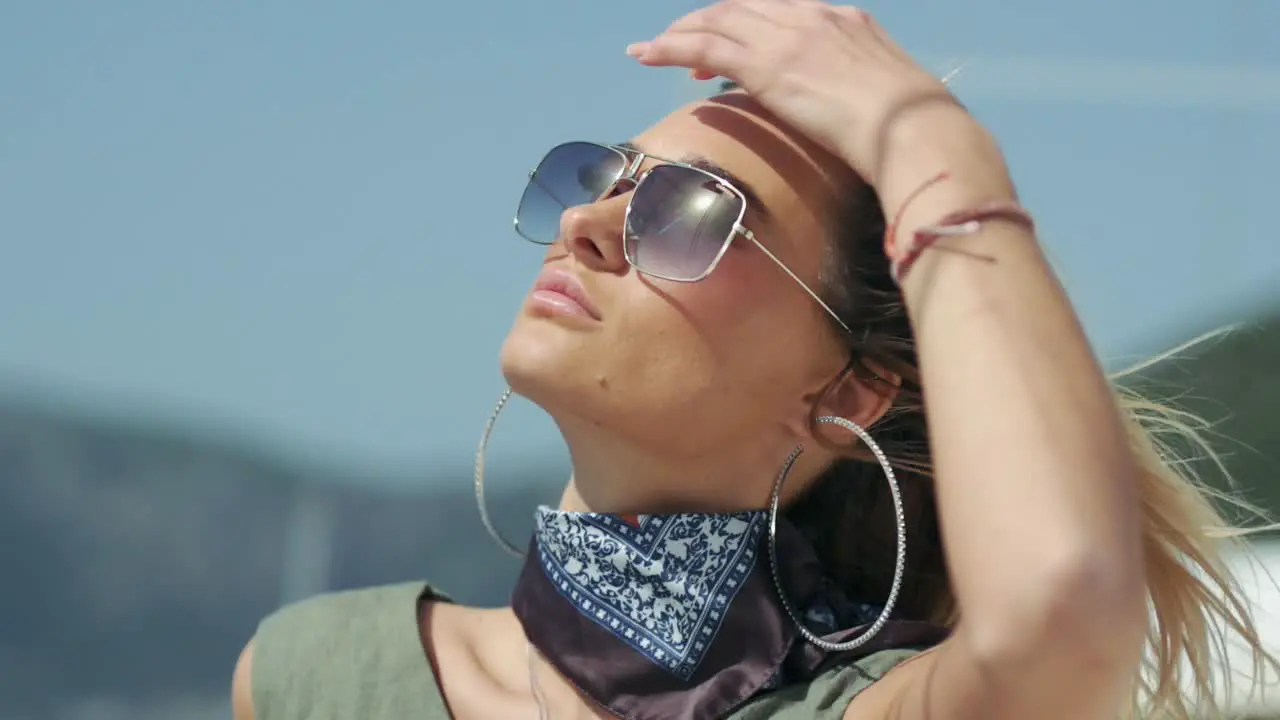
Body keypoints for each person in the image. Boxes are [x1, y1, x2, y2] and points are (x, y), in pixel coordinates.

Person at [230, 2, 1277, 718]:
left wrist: (928, 145)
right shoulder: (313, 675)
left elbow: (1061, 608)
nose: (587, 225)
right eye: (598, 175)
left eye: (687, 213)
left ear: (843, 392)